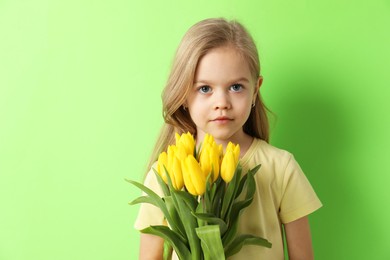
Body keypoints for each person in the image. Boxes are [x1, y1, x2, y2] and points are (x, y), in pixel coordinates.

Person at [134, 17, 322, 260]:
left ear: (255, 90)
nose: (221, 103)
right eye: (204, 89)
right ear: (183, 95)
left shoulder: (281, 167)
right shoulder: (166, 173)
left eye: (235, 87)